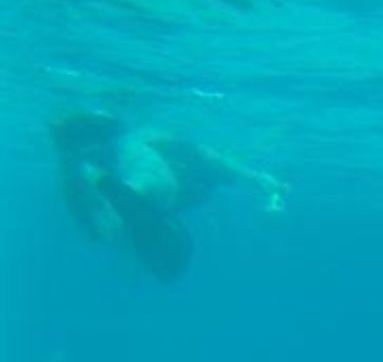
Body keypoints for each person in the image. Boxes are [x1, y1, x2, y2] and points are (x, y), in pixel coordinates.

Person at [51, 111, 287, 281]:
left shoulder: (151, 186)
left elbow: (114, 196)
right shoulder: (160, 179)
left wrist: (72, 163)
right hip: (160, 180)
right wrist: (257, 178)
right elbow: (201, 156)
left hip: (155, 185)